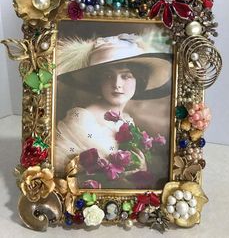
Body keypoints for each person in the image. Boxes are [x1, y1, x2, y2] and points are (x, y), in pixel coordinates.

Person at [54, 33, 172, 188]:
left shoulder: (127, 120)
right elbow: (57, 169)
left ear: (139, 80)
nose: (117, 84)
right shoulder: (81, 119)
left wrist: (140, 167)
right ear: (98, 81)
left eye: (126, 76)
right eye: (108, 76)